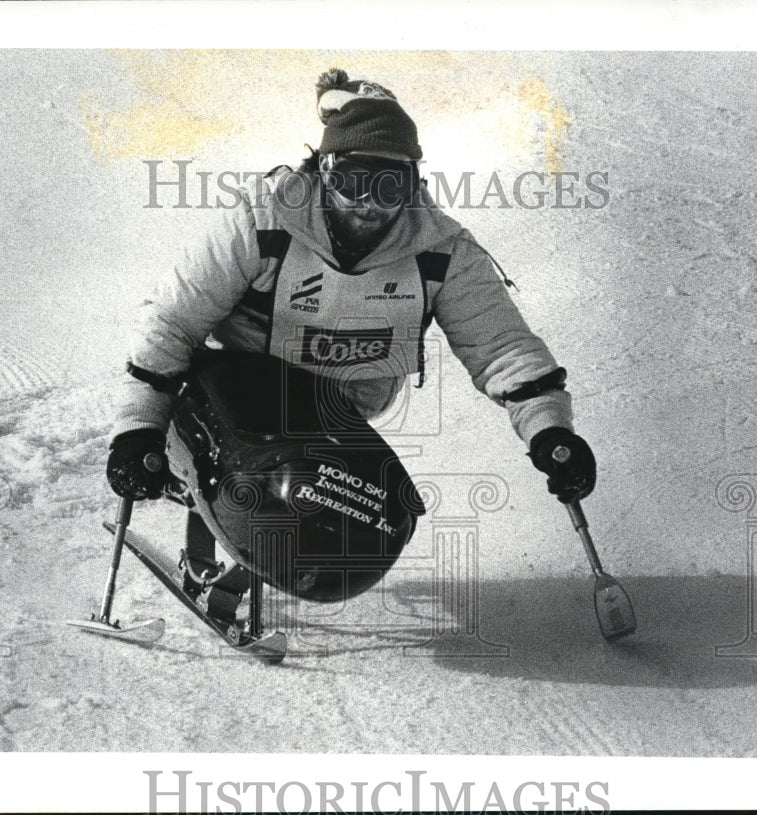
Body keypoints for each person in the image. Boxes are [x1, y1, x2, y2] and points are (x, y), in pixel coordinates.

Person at [105, 68, 596, 608]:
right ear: (322, 172)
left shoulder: (441, 251)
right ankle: (202, 510)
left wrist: (551, 433)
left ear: (413, 186)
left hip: (341, 403)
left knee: (369, 533)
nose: (369, 204)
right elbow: (173, 324)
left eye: (390, 187)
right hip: (241, 391)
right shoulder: (264, 221)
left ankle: (249, 556)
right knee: (266, 484)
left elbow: (502, 348)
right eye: (352, 181)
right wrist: (138, 430)